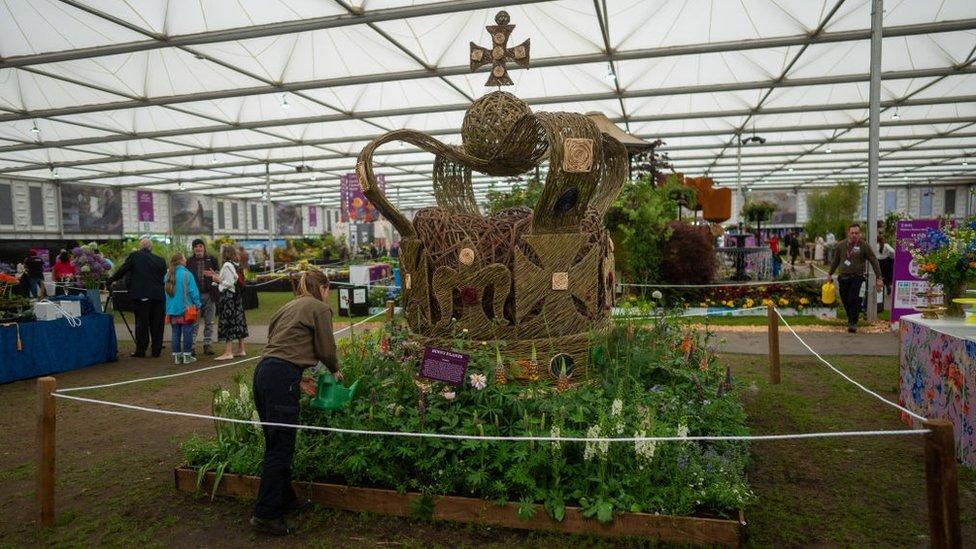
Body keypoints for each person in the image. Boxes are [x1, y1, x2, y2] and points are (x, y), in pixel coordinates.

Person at [250, 270, 340, 536]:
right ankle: (265, 514)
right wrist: (335, 369)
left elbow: (277, 342)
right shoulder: (319, 308)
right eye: (328, 290)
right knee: (281, 446)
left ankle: (285, 498)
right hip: (281, 377)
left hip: (265, 372)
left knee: (276, 441)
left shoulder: (287, 306)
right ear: (323, 288)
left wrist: (297, 378)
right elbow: (326, 348)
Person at [107, 239, 167, 357]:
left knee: (142, 323)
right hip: (158, 296)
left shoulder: (135, 256)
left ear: (140, 247)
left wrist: (110, 280)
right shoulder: (161, 260)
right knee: (157, 325)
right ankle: (156, 350)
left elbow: (123, 270)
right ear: (151, 248)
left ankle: (141, 350)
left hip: (142, 295)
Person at [826, 223, 883, 333]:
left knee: (853, 298)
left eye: (856, 233)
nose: (854, 235)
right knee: (845, 300)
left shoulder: (864, 245)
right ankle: (851, 317)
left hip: (857, 277)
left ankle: (853, 322)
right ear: (848, 233)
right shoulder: (841, 245)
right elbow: (835, 261)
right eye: (852, 233)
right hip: (843, 278)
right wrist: (829, 274)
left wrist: (879, 277)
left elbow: (874, 260)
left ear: (860, 234)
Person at [209, 245, 249, 361]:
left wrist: (217, 280)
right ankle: (241, 349)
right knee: (238, 321)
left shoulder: (227, 265)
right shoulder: (236, 265)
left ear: (225, 253)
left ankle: (228, 352)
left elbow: (229, 283)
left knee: (228, 321)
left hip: (228, 298)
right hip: (237, 297)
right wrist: (219, 278)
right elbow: (235, 279)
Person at [163, 253, 201, 365]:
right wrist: (198, 304)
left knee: (175, 332)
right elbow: (193, 292)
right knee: (187, 332)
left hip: (172, 310)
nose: (186, 260)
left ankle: (177, 357)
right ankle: (187, 356)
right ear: (180, 261)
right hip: (186, 309)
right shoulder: (186, 274)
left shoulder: (167, 275)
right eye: (184, 259)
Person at [186, 238, 219, 355]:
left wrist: (214, 276)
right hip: (194, 297)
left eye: (200, 246)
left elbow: (218, 276)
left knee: (209, 322)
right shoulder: (189, 261)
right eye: (196, 246)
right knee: (193, 323)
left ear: (204, 248)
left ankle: (207, 345)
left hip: (210, 295)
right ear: (193, 249)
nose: (198, 248)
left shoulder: (212, 260)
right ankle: (191, 346)